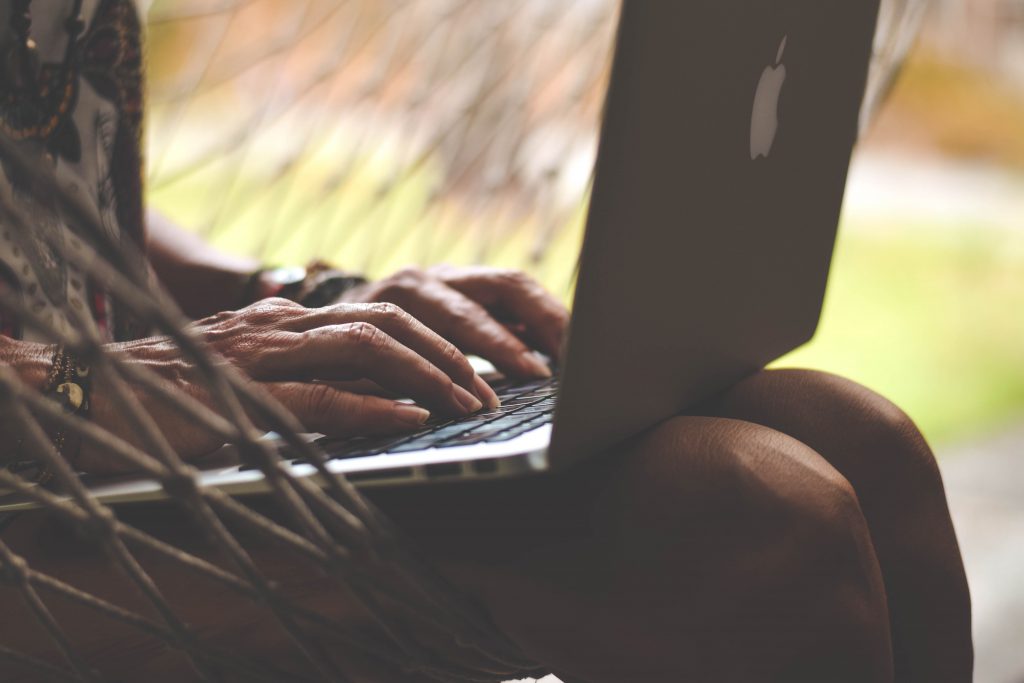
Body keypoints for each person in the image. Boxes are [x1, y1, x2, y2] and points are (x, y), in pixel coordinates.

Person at [0, 1, 971, 681]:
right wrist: (64, 385)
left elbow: (54, 180)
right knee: (741, 518)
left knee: (853, 433)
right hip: (31, 483)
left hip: (103, 418)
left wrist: (292, 297)